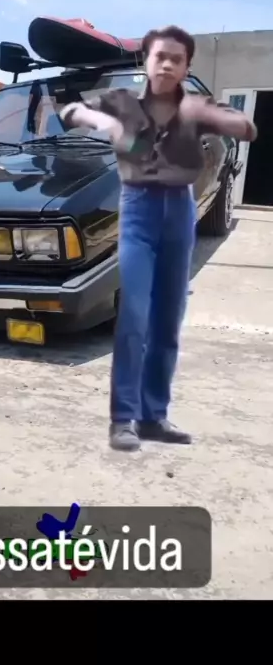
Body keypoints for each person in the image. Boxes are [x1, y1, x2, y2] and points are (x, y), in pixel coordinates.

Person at [60, 25, 257, 451]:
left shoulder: (196, 106)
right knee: (135, 314)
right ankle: (123, 420)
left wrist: (222, 119)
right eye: (159, 56)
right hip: (139, 212)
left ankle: (154, 417)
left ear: (186, 66)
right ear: (145, 60)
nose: (166, 64)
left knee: (168, 320)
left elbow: (246, 127)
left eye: (176, 59)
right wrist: (105, 123)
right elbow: (69, 112)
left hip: (180, 212)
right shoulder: (122, 103)